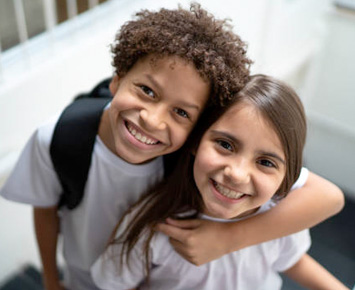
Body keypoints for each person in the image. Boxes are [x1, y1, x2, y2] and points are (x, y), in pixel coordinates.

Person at [0, 3, 343, 290]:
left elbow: (328, 197)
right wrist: (49, 280)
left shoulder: (203, 152)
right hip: (85, 276)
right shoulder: (59, 139)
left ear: (197, 131)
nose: (152, 120)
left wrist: (229, 238)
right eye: (147, 91)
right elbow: (45, 210)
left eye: (181, 112)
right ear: (117, 77)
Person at [91, 75, 348, 290]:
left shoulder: (281, 216)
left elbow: (292, 261)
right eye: (225, 145)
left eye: (266, 162)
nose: (236, 174)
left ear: (286, 177)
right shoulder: (150, 225)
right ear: (196, 142)